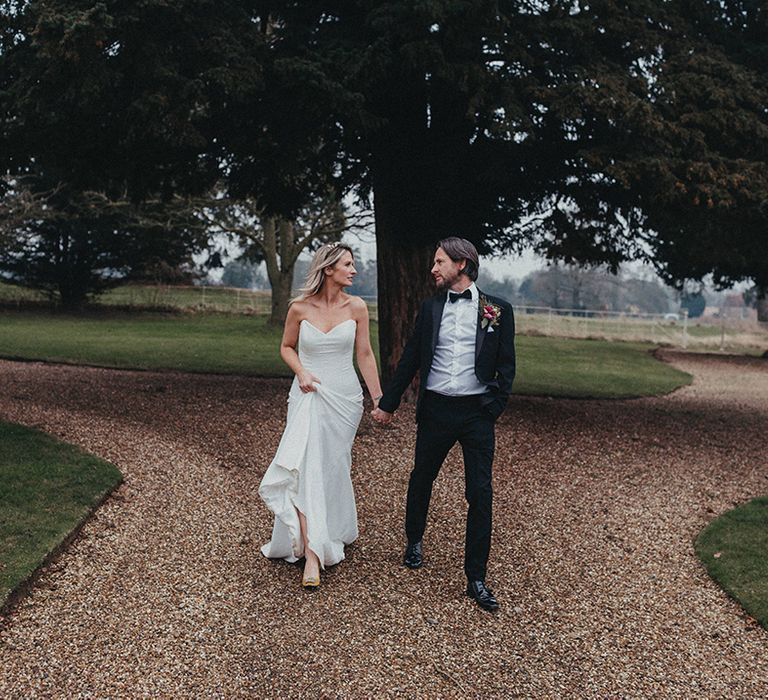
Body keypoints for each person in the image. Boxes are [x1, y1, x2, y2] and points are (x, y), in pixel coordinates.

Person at [371, 237, 515, 611]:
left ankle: (476, 578)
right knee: (422, 477)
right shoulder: (430, 308)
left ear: (462, 265)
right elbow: (410, 359)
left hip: (476, 415)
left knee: (480, 494)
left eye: (439, 262)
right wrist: (388, 404)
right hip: (435, 411)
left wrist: (492, 409)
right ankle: (414, 540)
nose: (433, 269)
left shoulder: (498, 310)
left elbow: (507, 365)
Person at [259, 242, 383, 590]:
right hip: (308, 394)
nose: (354, 270)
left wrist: (378, 399)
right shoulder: (299, 308)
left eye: (353, 264)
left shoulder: (356, 307)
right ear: (328, 269)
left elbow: (365, 354)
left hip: (344, 400)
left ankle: (332, 529)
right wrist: (301, 372)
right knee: (305, 465)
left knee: (332, 467)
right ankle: (312, 552)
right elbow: (286, 347)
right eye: (347, 264)